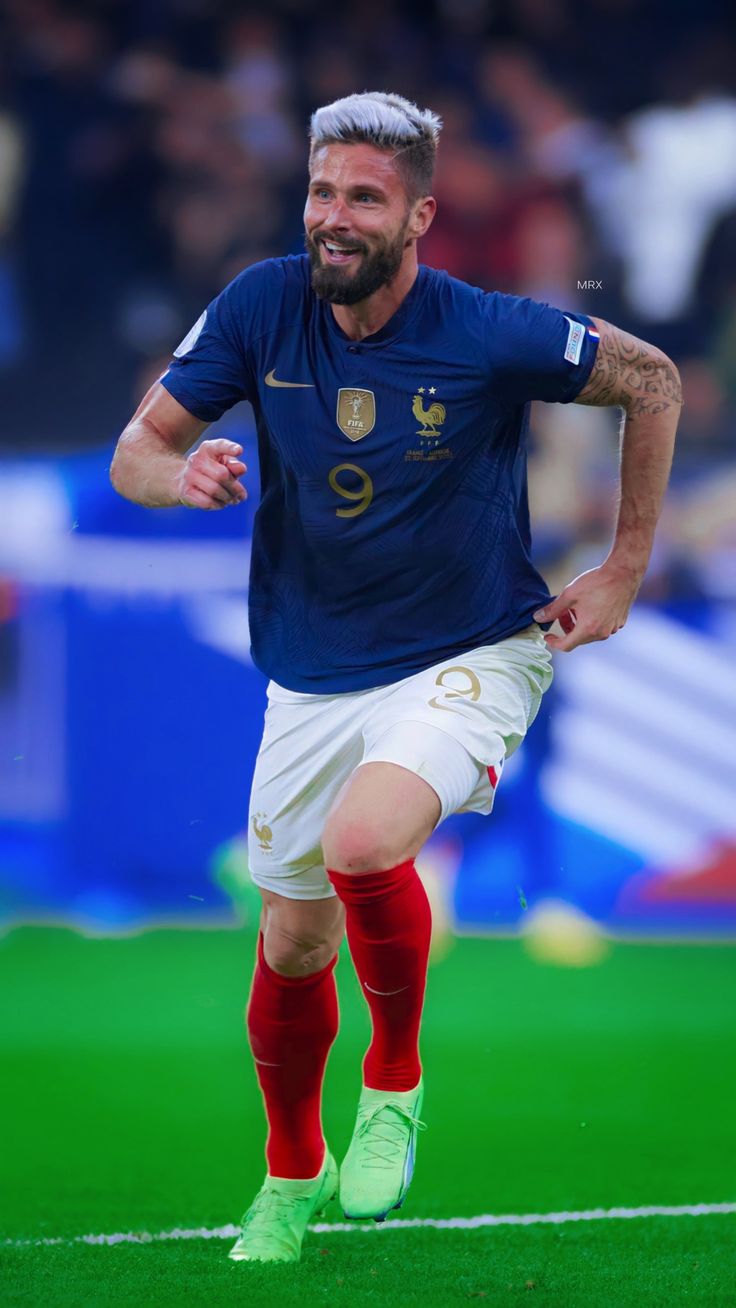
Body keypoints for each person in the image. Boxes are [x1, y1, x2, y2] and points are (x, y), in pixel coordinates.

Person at [110, 91, 681, 1265]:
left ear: (418, 216)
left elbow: (655, 380)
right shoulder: (263, 305)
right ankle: (286, 1175)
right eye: (321, 192)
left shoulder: (486, 330)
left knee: (368, 842)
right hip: (313, 675)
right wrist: (185, 481)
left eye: (361, 197)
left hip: (475, 648)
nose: (331, 216)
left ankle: (395, 1086)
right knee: (291, 950)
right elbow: (138, 454)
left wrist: (624, 564)